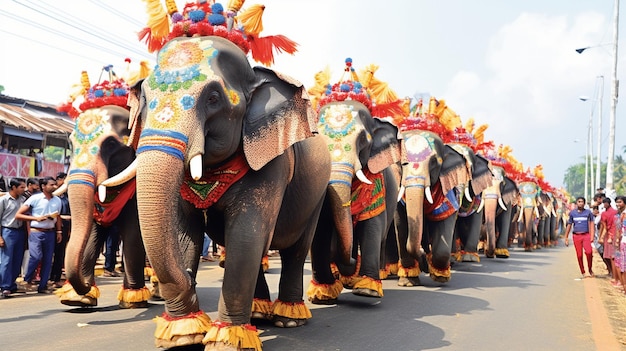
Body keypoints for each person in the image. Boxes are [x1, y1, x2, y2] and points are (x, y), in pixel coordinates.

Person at [15, 176, 62, 293]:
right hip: (36, 231)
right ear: (43, 186)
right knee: (35, 257)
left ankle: (43, 285)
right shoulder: (35, 198)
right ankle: (27, 279)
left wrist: (59, 231)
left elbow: (58, 217)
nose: (55, 187)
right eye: (51, 185)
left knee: (47, 260)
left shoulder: (57, 200)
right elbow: (19, 215)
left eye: (55, 184)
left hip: (50, 232)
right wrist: (36, 218)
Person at [0, 178, 26, 298]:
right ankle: (5, 286)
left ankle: (12, 284)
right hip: (8, 231)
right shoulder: (4, 200)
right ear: (13, 187)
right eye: (21, 187)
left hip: (20, 231)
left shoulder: (23, 199)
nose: (24, 189)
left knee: (17, 259)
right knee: (6, 260)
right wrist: (0, 237)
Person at [564, 196, 595, 278]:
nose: (580, 203)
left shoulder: (588, 213)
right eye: (579, 201)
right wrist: (566, 237)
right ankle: (583, 271)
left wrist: (592, 236)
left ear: (584, 203)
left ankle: (590, 269)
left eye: (582, 202)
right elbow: (569, 225)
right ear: (576, 203)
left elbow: (592, 224)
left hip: (586, 235)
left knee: (589, 252)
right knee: (579, 255)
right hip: (576, 236)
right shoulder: (572, 213)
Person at [49, 172, 70, 288]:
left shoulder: (67, 196)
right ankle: (48, 277)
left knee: (60, 252)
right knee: (48, 254)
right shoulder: (52, 197)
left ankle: (56, 277)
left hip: (65, 227)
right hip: (53, 226)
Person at [599, 197, 618, 286]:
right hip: (615, 235)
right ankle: (614, 274)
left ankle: (614, 275)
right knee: (612, 256)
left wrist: (601, 237)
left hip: (610, 236)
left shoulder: (605, 214)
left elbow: (604, 227)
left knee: (610, 256)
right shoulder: (615, 212)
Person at [613, 196, 626, 294]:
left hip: (621, 242)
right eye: (616, 202)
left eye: (620, 202)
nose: (618, 204)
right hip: (619, 242)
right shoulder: (619, 214)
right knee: (618, 262)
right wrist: (617, 240)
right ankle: (621, 283)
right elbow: (618, 228)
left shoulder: (622, 214)